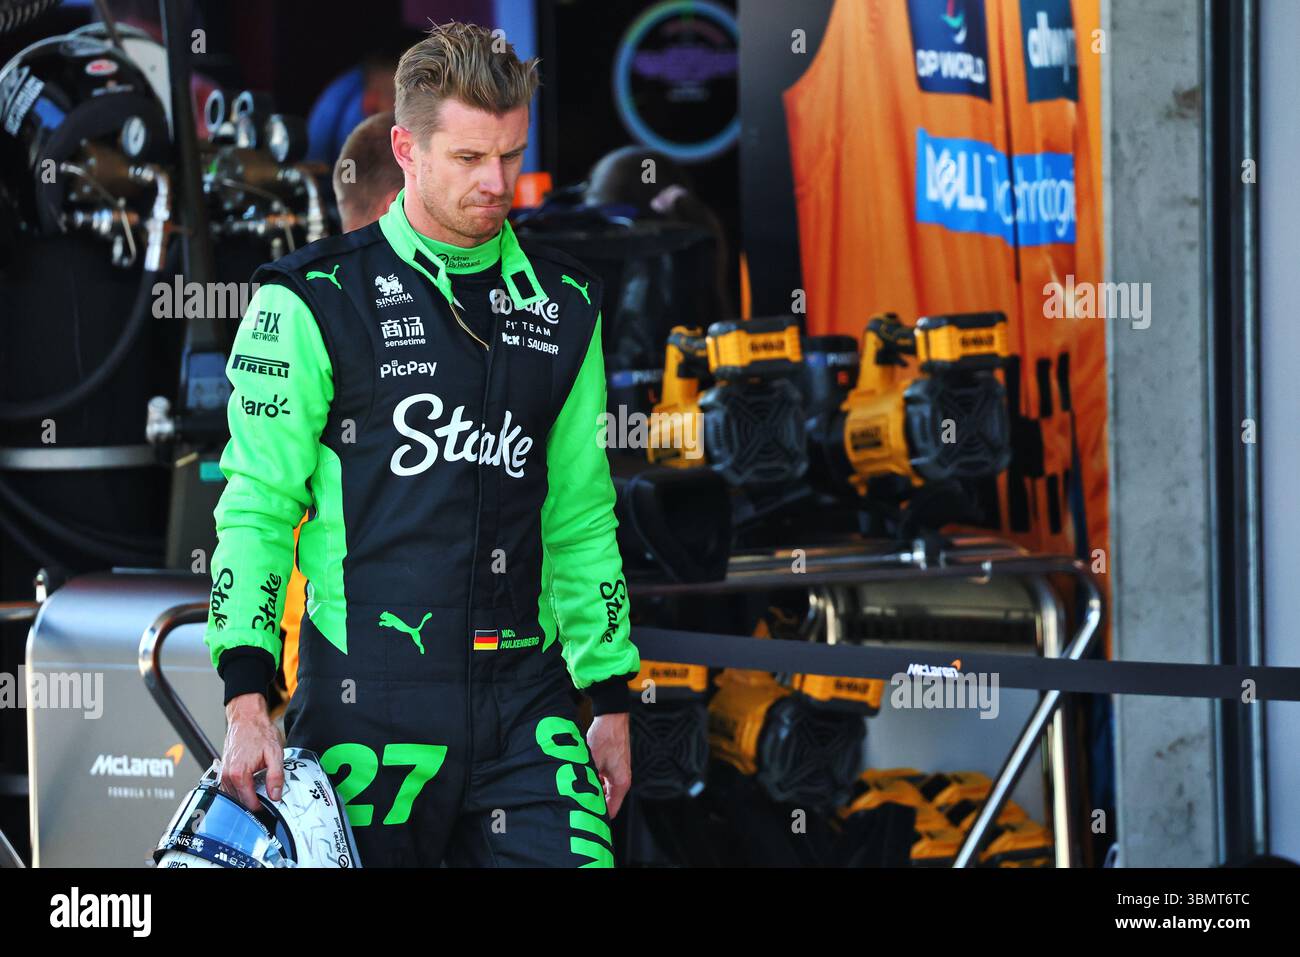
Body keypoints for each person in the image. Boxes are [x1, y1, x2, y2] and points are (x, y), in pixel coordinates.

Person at [204, 21, 639, 867]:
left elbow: (582, 514)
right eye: (471, 158)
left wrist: (611, 695)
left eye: (511, 154)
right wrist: (246, 697)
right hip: (369, 699)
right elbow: (255, 507)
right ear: (405, 147)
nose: (498, 182)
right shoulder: (310, 301)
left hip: (530, 701)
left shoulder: (567, 305)